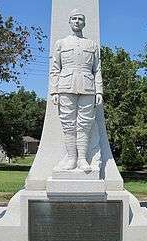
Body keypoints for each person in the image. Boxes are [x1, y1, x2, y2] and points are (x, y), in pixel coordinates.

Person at [50, 9, 103, 172]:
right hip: (65, 87)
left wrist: (99, 91)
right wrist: (54, 91)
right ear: (69, 21)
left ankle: (82, 160)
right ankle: (71, 159)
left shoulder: (92, 45)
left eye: (80, 19)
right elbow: (55, 68)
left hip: (88, 88)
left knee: (84, 125)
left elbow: (97, 69)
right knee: (68, 125)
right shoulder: (61, 43)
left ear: (84, 23)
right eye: (74, 18)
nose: (77, 21)